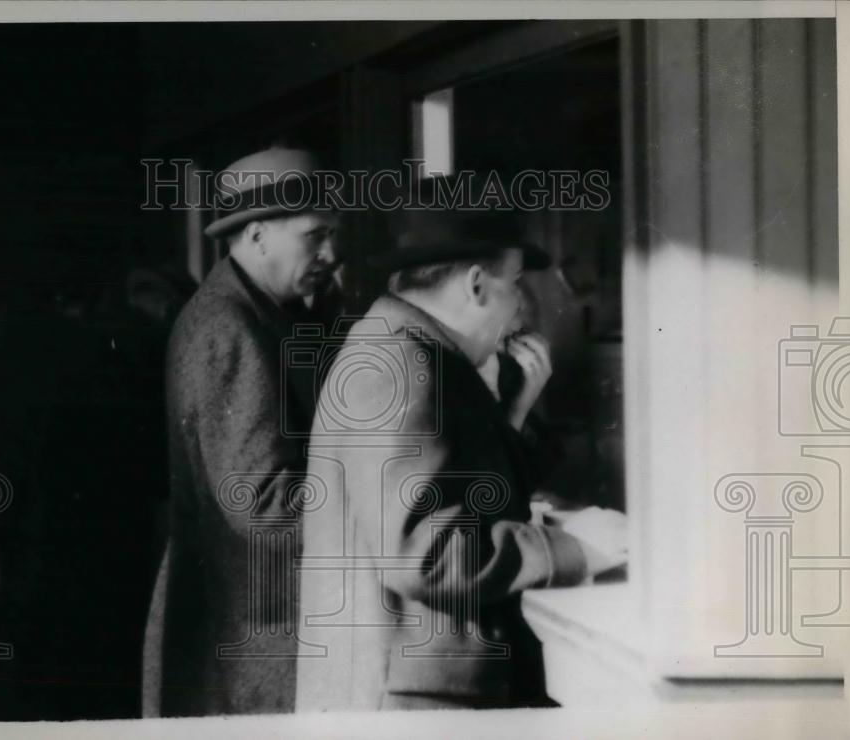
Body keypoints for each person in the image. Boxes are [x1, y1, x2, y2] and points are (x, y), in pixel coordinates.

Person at [295, 198, 627, 711]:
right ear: (475, 285)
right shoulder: (403, 365)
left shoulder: (404, 349)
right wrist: (575, 551)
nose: (519, 307)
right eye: (514, 284)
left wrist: (509, 416)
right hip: (416, 703)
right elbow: (425, 556)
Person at [143, 147, 341, 716]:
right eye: (315, 235)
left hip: (257, 618)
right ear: (257, 236)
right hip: (255, 628)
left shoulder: (264, 313)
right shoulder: (226, 326)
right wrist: (379, 512)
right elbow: (262, 505)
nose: (331, 253)